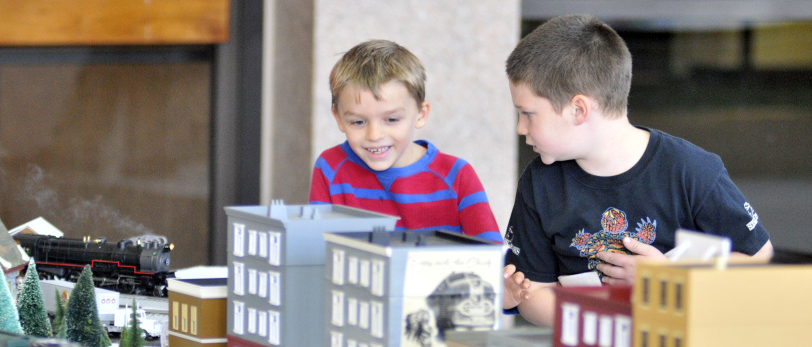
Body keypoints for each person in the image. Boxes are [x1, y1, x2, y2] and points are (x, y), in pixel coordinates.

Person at [501, 14, 772, 327]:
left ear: (579, 110)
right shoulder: (540, 182)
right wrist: (600, 326)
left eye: (528, 114)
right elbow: (533, 292)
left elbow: (759, 258)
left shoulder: (690, 170)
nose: (521, 128)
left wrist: (670, 277)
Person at [308, 39, 502, 242]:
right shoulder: (329, 168)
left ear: (421, 113)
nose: (374, 135)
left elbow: (492, 257)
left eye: (391, 119)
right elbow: (314, 252)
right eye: (358, 122)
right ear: (338, 118)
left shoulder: (457, 176)